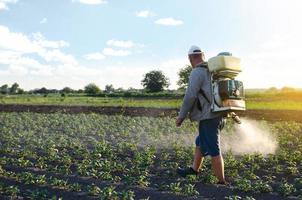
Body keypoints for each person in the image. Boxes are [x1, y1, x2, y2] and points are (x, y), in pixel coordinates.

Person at [176, 45, 227, 185]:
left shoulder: (197, 72)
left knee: (213, 148)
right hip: (220, 114)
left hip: (208, 116)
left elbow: (190, 96)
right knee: (200, 142)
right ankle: (194, 169)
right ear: (203, 55)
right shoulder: (213, 71)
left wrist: (181, 116)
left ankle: (222, 182)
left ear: (190, 58)